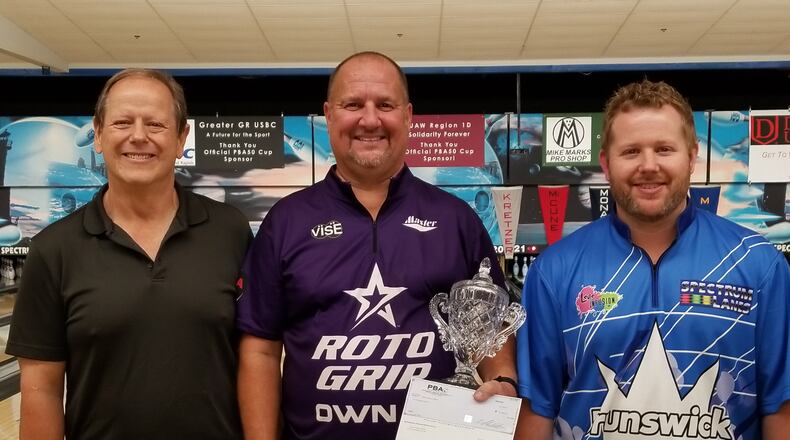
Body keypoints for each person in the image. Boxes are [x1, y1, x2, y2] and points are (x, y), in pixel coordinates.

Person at [237, 51, 517, 440]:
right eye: (353, 104)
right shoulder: (286, 222)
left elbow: (490, 330)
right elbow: (261, 350)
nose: (370, 120)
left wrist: (503, 381)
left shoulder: (457, 220)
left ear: (407, 115)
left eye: (385, 104)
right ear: (329, 114)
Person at [515, 79, 790, 439]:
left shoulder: (759, 265)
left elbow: (780, 406)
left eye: (664, 149)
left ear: (692, 156)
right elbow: (538, 409)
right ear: (607, 163)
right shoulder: (554, 271)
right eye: (631, 152)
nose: (648, 165)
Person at [6, 68, 252, 439]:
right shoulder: (53, 249)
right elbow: (42, 389)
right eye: (122, 122)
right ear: (99, 135)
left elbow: (257, 359)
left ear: (182, 136)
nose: (139, 136)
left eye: (155, 124)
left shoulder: (229, 230)